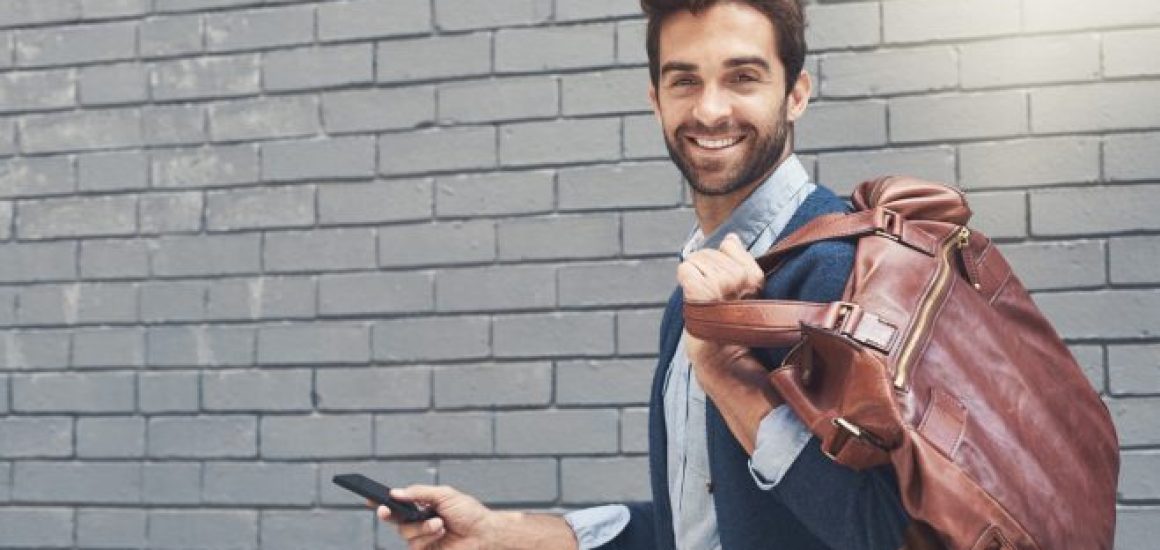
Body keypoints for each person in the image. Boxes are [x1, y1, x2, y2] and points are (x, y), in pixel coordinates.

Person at [376, 1, 910, 548]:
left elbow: (890, 535)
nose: (710, 110)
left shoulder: (840, 273)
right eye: (684, 81)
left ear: (796, 94)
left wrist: (727, 375)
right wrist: (506, 532)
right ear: (656, 100)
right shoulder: (690, 300)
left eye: (743, 77)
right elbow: (705, 522)